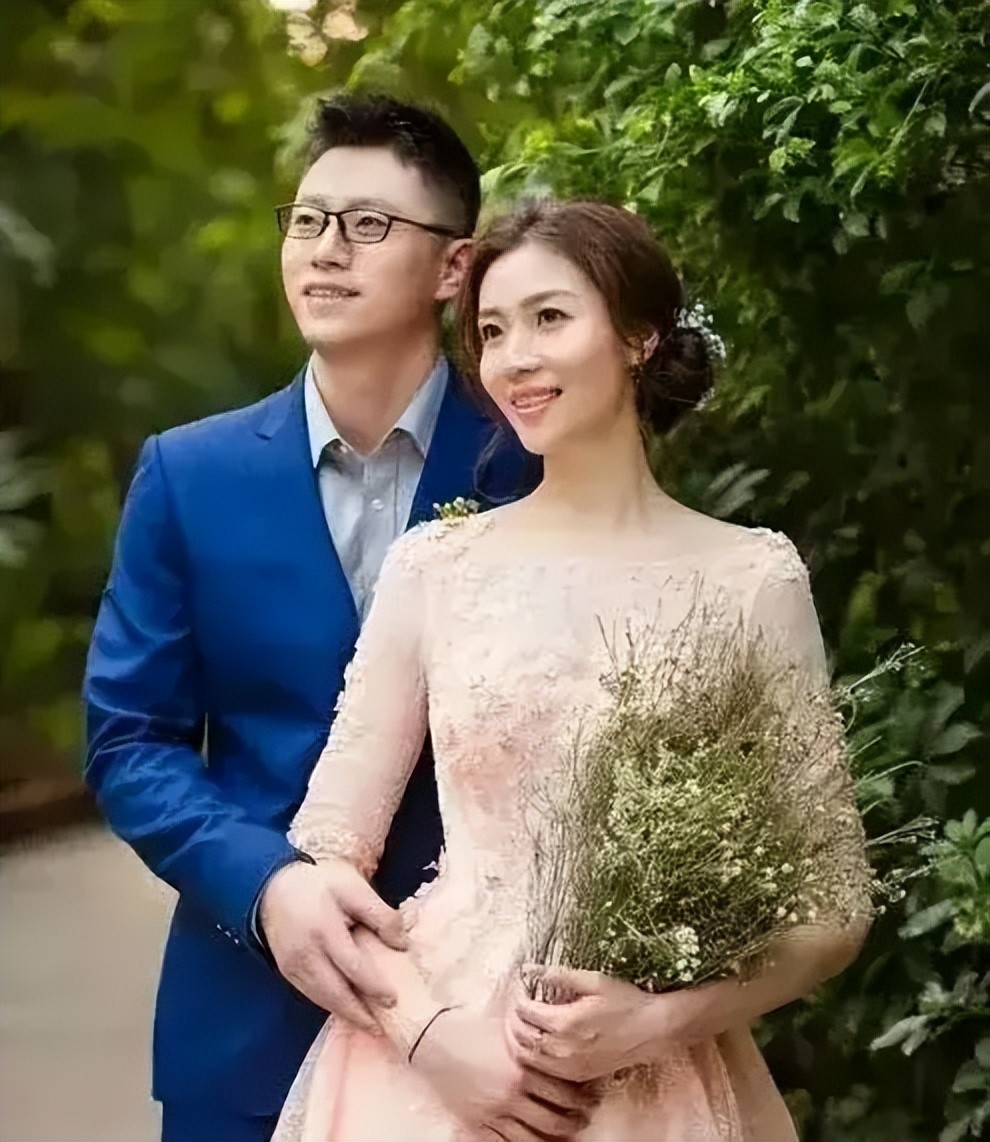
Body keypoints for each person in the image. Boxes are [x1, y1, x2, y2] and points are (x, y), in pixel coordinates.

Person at [270, 198, 873, 1142]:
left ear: (638, 336)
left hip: (652, 1079)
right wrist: (429, 1035)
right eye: (492, 331)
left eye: (548, 318)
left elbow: (835, 903)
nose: (513, 358)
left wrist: (661, 1019)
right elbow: (325, 858)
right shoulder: (437, 567)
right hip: (433, 1062)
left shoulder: (752, 577)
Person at [83, 93, 547, 1142]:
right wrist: (265, 885)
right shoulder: (188, 475)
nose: (326, 249)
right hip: (249, 1024)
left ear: (454, 268)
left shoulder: (533, 465)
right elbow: (129, 740)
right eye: (306, 219)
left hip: (492, 1033)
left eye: (369, 224)